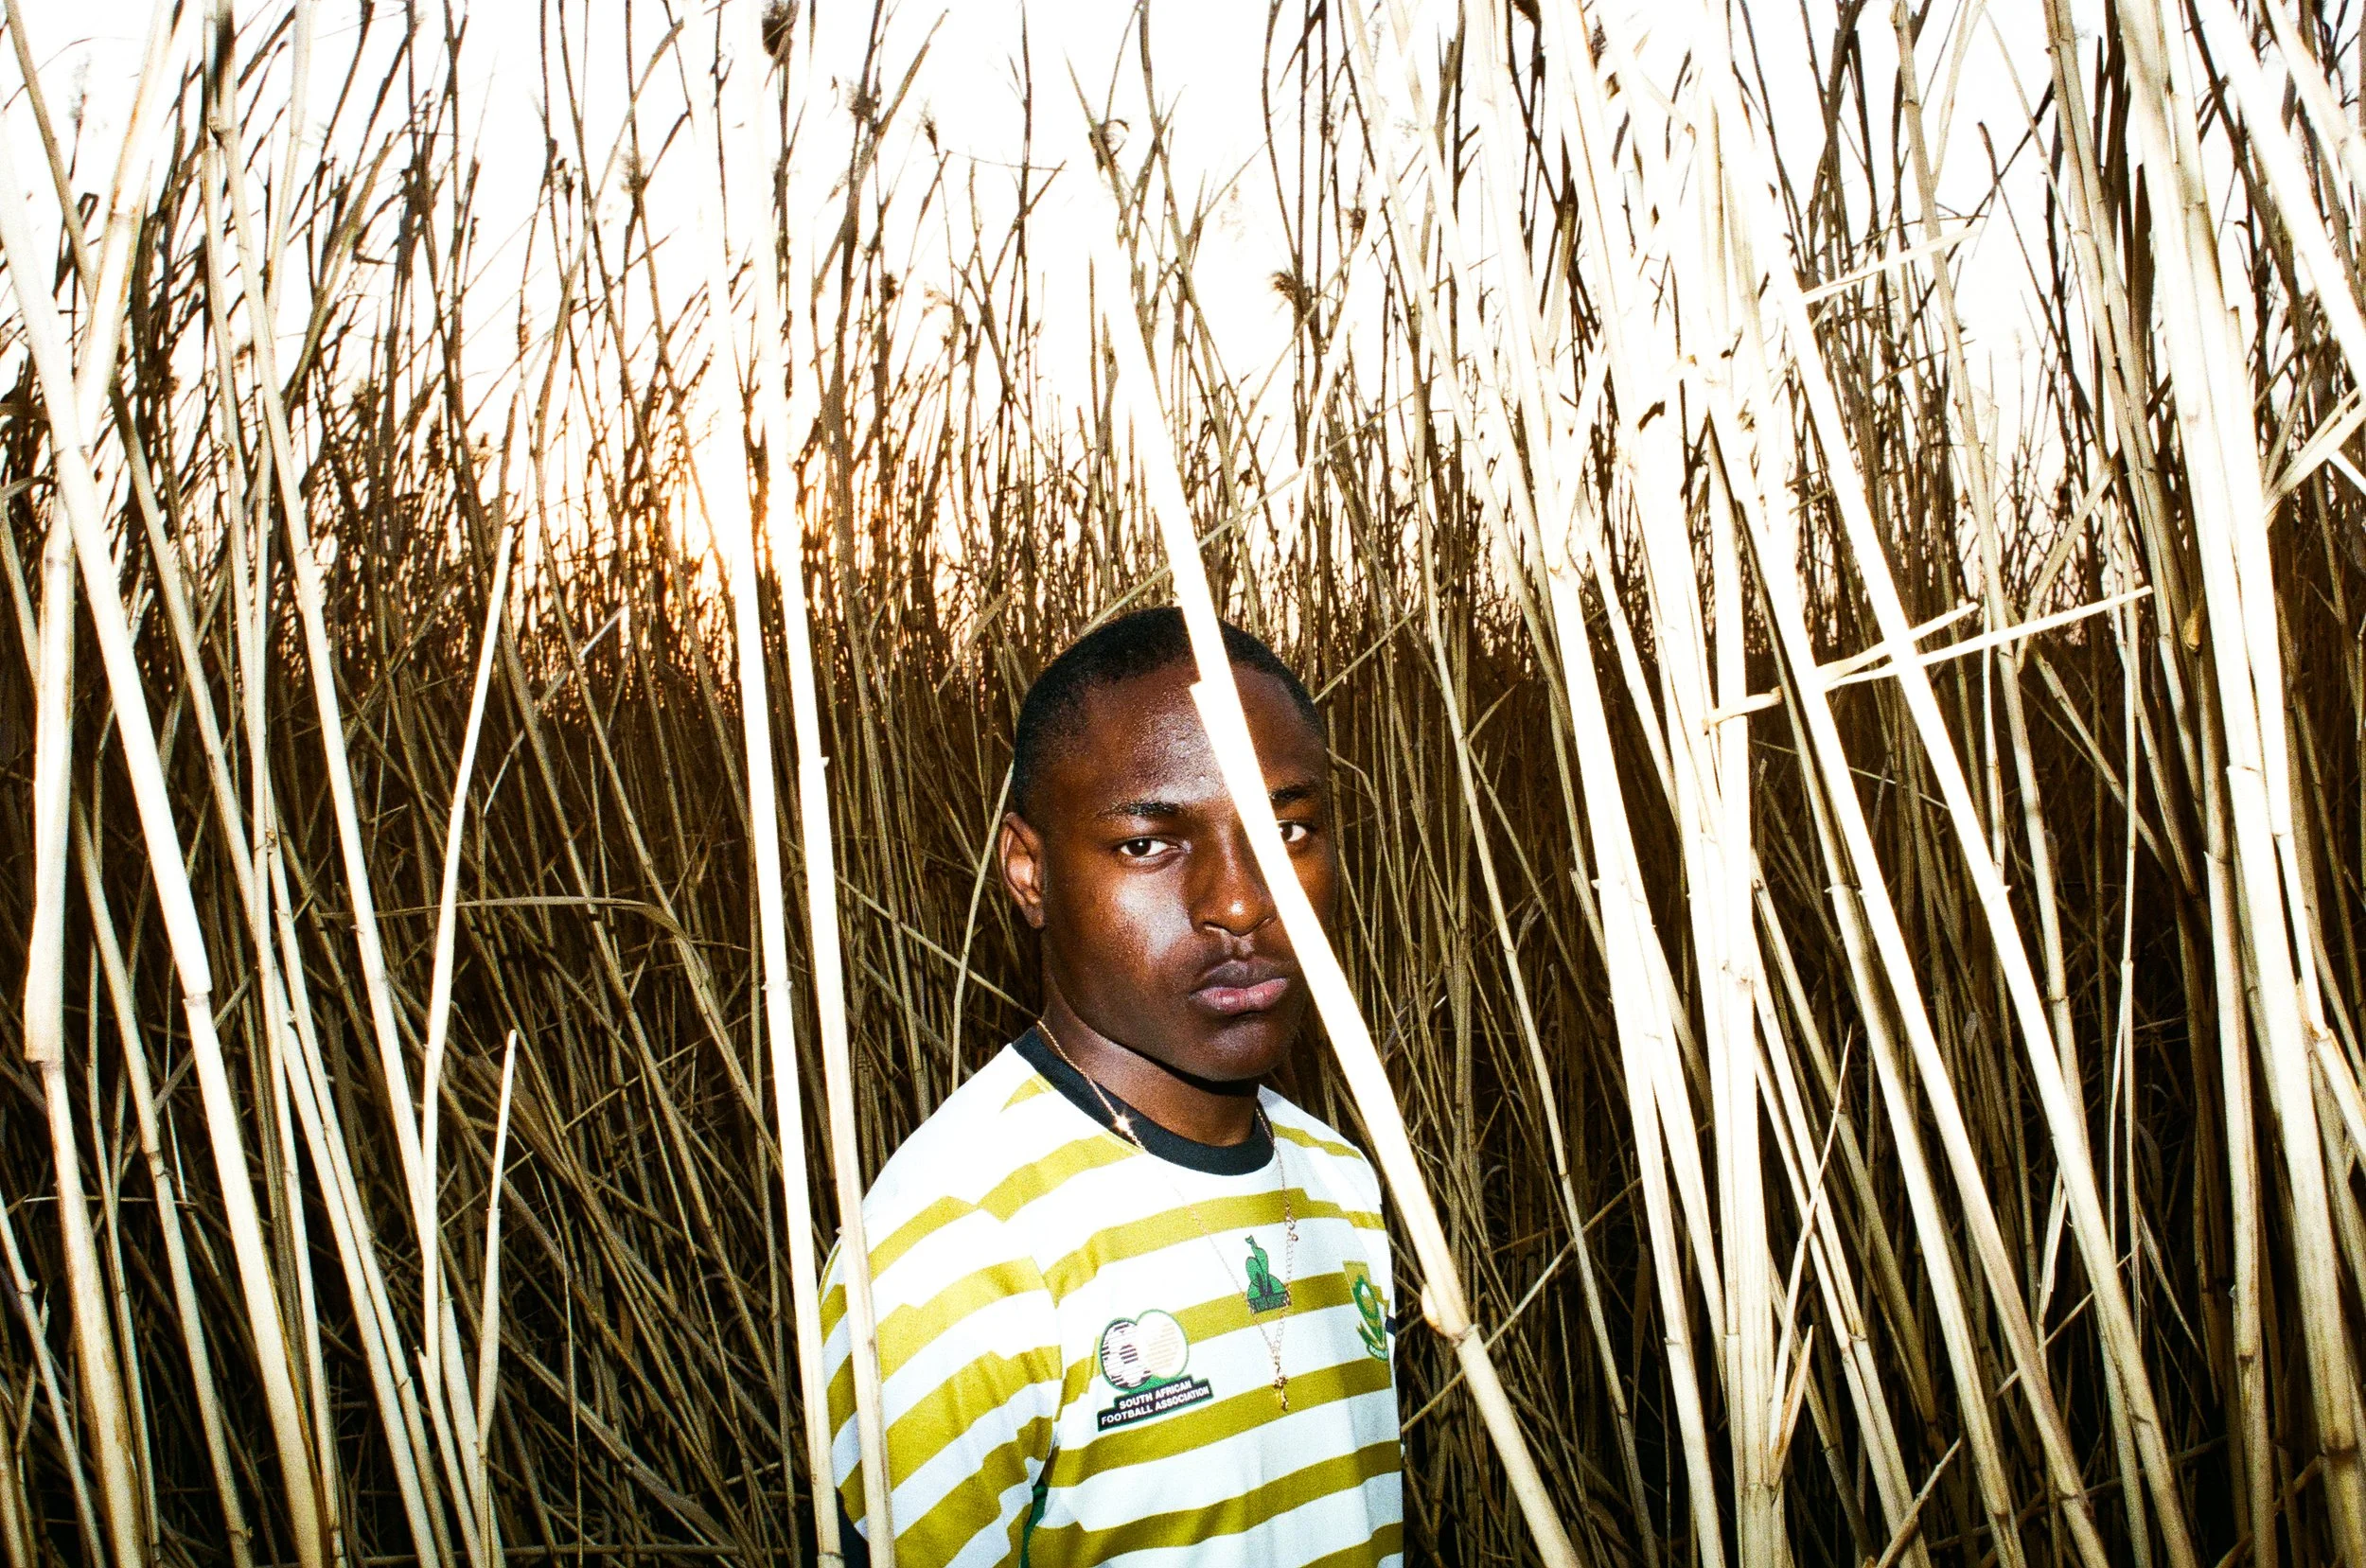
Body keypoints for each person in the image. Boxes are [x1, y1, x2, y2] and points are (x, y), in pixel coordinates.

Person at [818, 607, 1402, 1566]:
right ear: (1029, 872)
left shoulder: (1340, 1177)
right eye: (1147, 843)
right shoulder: (954, 1251)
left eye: (1287, 828)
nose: (1241, 901)